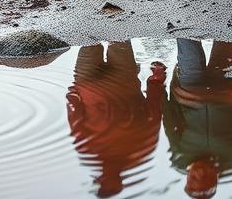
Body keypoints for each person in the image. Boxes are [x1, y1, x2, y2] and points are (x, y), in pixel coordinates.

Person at [163, 39, 232, 197]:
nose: (200, 172)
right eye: (206, 178)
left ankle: (185, 14)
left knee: (186, 41)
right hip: (226, 87)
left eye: (194, 178)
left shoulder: (179, 158)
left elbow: (169, 117)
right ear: (216, 178)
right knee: (225, 35)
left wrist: (159, 85)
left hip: (190, 88)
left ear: (187, 177)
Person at [66, 41, 166, 197]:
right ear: (119, 180)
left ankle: (90, 18)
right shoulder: (141, 152)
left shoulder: (87, 150)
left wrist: (73, 96)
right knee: (118, 38)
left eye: (102, 181)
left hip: (87, 81)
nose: (103, 177)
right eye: (107, 182)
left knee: (87, 40)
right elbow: (154, 113)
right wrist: (156, 81)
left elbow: (75, 119)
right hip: (122, 77)